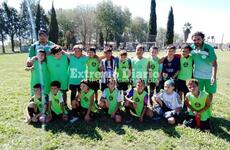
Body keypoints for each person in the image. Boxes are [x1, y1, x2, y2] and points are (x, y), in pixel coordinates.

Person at [190, 31, 217, 103]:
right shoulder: (191, 48)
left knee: (209, 93)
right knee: (197, 93)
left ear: (203, 39)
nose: (196, 41)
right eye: (194, 40)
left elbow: (214, 63)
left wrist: (213, 76)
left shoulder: (209, 48)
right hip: (197, 76)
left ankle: (208, 108)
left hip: (209, 76)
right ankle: (198, 108)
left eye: (198, 39)